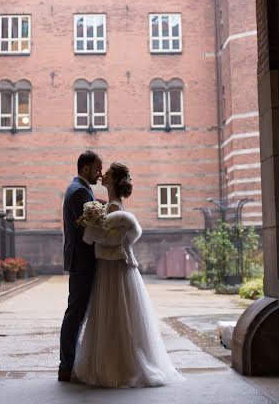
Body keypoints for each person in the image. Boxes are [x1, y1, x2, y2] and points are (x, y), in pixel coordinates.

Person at [72, 162, 185, 388]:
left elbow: (114, 239)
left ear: (113, 181)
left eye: (109, 173)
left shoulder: (114, 207)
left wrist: (92, 231)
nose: (103, 175)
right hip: (113, 264)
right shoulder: (111, 205)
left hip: (115, 266)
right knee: (116, 313)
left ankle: (121, 366)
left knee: (115, 312)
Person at [58, 150, 103, 382]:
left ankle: (69, 364)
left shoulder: (81, 189)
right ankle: (66, 366)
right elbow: (89, 227)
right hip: (81, 260)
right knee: (75, 313)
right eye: (97, 169)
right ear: (86, 168)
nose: (100, 173)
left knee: (77, 312)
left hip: (82, 259)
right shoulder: (79, 191)